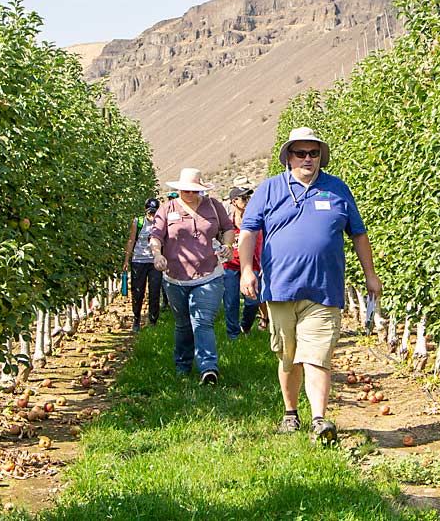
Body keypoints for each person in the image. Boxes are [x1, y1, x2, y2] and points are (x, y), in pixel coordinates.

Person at [240, 127, 381, 441]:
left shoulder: (337, 189)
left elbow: (358, 233)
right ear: (289, 156)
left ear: (321, 157)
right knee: (288, 356)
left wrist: (370, 275)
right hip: (279, 287)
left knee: (317, 355)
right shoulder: (270, 189)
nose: (307, 159)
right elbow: (248, 231)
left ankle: (319, 419)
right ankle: (291, 413)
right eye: (300, 153)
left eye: (313, 153)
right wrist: (247, 270)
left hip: (324, 288)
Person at [149, 168, 235, 385]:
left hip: (209, 274)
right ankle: (183, 365)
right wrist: (157, 254)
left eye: (193, 190)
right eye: (185, 190)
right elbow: (156, 236)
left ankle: (208, 368)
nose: (189, 193)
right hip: (175, 277)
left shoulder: (213, 207)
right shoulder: (166, 209)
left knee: (202, 321)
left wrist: (226, 245)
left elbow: (228, 229)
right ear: (178, 189)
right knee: (183, 324)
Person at [222, 186, 267, 340]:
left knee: (253, 300)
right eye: (244, 198)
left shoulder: (255, 220)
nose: (248, 201)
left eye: (249, 198)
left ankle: (245, 326)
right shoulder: (226, 222)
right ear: (234, 201)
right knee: (231, 301)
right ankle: (232, 335)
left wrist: (262, 263)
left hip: (252, 264)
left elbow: (262, 242)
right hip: (230, 265)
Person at [123, 198, 163, 332]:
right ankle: (136, 319)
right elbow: (131, 240)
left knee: (155, 291)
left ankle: (153, 321)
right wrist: (126, 259)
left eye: (154, 213)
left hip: (154, 261)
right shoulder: (138, 222)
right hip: (139, 261)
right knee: (137, 291)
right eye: (150, 213)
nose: (152, 216)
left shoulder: (161, 223)